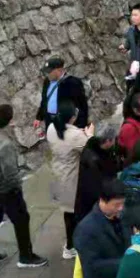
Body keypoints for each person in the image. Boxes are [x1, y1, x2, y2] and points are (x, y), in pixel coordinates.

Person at [0, 105, 48, 269]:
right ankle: (26, 256)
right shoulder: (5, 144)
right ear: (9, 121)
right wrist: (17, 187)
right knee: (22, 219)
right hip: (6, 190)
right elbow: (10, 172)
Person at [74, 180, 129, 278]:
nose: (121, 208)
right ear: (103, 201)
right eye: (117, 204)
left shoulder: (120, 216)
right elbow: (93, 265)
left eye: (122, 203)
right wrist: (126, 263)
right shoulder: (86, 229)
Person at [47, 100, 94, 260]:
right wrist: (89, 135)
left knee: (67, 213)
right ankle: (72, 246)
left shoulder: (52, 128)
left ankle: (70, 244)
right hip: (72, 177)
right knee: (77, 213)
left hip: (58, 174)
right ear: (72, 118)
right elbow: (90, 149)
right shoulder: (76, 136)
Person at [75, 124, 124, 226]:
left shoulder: (96, 148)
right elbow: (97, 186)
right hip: (93, 202)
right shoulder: (93, 160)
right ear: (107, 141)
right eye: (113, 140)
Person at [34, 56, 89, 134]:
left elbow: (82, 106)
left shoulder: (72, 83)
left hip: (66, 125)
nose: (47, 74)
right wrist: (39, 117)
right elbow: (45, 100)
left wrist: (80, 127)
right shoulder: (47, 81)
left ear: (59, 70)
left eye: (49, 72)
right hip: (50, 122)